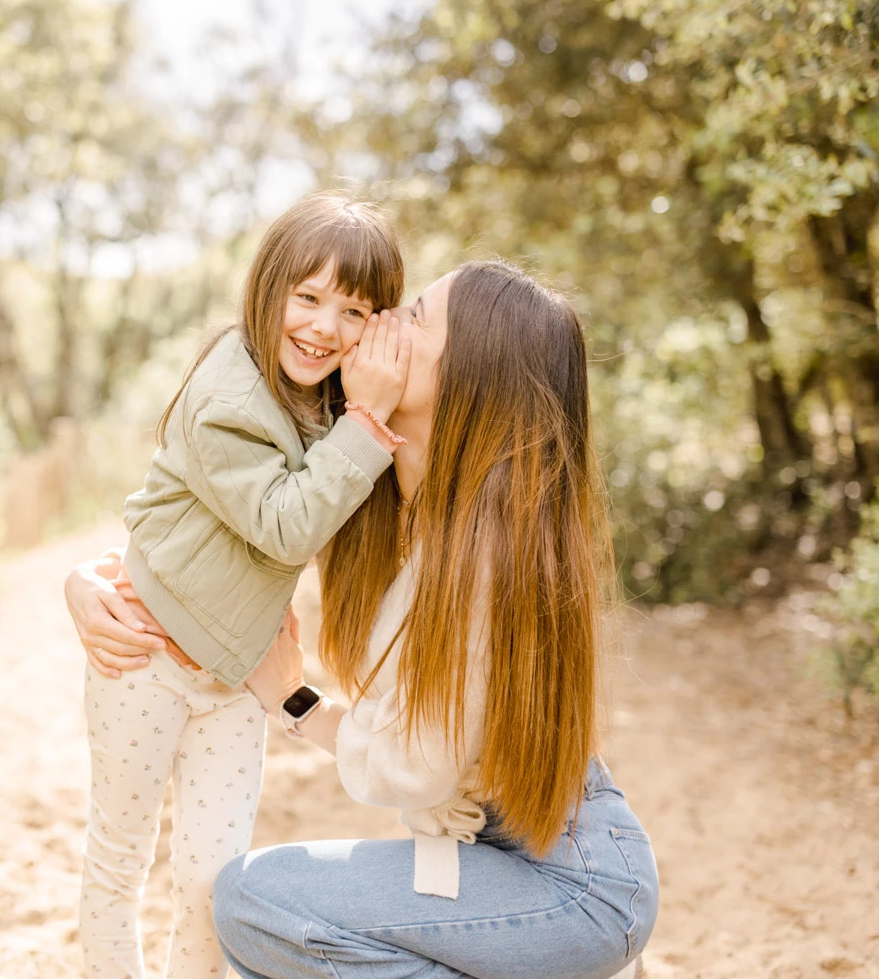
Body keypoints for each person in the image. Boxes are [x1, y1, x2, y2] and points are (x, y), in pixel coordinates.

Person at [65, 261, 658, 979]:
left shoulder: (484, 557)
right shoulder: (376, 493)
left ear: (471, 376)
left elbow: (415, 767)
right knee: (265, 908)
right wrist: (92, 578)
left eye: (415, 316)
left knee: (257, 901)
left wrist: (293, 700)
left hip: (572, 882)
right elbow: (223, 527)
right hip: (487, 854)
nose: (380, 322)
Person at [76, 191, 414, 979]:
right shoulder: (229, 398)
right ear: (268, 287)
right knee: (121, 855)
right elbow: (285, 524)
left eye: (355, 312)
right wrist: (367, 427)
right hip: (145, 653)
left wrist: (363, 414)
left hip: (235, 676)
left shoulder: (326, 399)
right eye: (308, 298)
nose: (324, 327)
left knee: (212, 880)